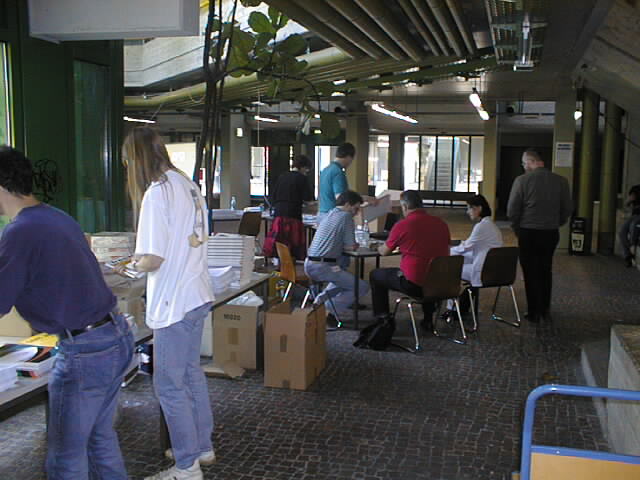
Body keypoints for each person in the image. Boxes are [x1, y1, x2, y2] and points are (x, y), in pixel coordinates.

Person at [0, 146, 134, 479]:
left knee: (65, 458)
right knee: (100, 439)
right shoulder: (55, 216)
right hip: (114, 335)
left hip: (85, 352)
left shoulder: (20, 231)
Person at [123, 127, 215, 480]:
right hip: (196, 293)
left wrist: (129, 264)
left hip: (173, 301)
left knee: (169, 386)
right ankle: (200, 447)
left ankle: (186, 466)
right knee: (190, 374)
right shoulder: (185, 183)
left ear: (137, 159)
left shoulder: (157, 192)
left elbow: (152, 259)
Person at [507, 148, 572, 323]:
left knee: (530, 272)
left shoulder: (522, 181)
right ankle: (544, 308)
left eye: (524, 163)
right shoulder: (561, 181)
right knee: (545, 269)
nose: (523, 166)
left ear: (531, 161)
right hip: (550, 232)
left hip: (528, 232)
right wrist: (556, 223)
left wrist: (517, 229)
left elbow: (512, 210)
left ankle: (533, 311)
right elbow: (567, 208)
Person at [370, 190, 450, 329]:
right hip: (440, 281)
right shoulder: (441, 223)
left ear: (405, 206)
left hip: (414, 284)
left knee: (376, 275)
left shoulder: (403, 225)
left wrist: (375, 246)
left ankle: (383, 319)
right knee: (428, 269)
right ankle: (428, 319)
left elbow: (384, 251)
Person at [305, 190, 369, 323]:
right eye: (356, 208)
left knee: (343, 275)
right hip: (323, 266)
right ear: (347, 205)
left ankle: (320, 300)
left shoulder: (329, 213)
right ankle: (328, 309)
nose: (356, 212)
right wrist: (355, 245)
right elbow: (351, 246)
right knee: (361, 286)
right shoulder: (346, 216)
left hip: (311, 263)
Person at [444, 195, 503, 314]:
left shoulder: (481, 226)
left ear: (478, 208)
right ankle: (457, 306)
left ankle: (452, 309)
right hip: (494, 268)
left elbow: (465, 247)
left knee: (452, 268)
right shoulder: (490, 225)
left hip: (485, 271)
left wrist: (448, 251)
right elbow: (473, 247)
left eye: (469, 208)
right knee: (458, 259)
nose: (467, 212)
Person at [263, 154, 314, 260]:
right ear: (303, 167)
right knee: (293, 245)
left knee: (280, 245)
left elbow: (274, 196)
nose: (307, 172)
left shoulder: (282, 176)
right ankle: (290, 266)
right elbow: (308, 199)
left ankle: (281, 265)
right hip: (293, 215)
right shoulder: (302, 178)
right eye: (307, 169)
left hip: (279, 215)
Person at [318, 143, 355, 221]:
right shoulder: (338, 172)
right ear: (349, 157)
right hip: (333, 215)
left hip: (322, 213)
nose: (350, 163)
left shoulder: (326, 170)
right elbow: (340, 198)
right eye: (352, 160)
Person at [618, 184, 640, 267]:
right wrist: (630, 200)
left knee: (633, 227)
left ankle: (631, 250)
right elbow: (626, 204)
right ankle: (628, 255)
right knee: (622, 232)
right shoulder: (635, 188)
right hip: (634, 216)